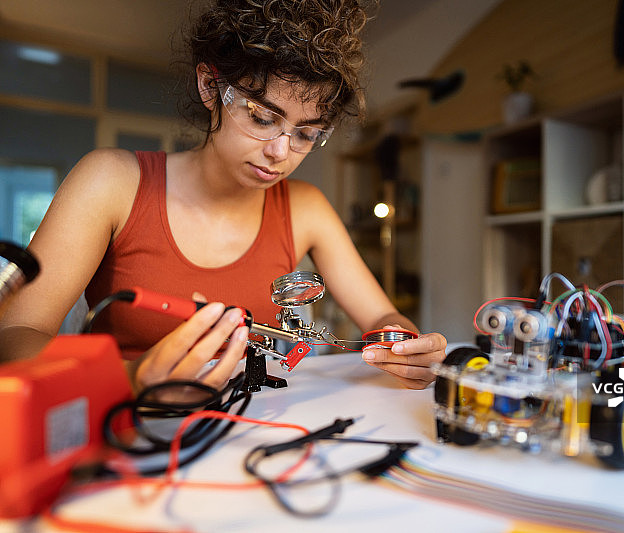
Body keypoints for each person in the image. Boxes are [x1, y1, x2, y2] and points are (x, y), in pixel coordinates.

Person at [0, 0, 447, 392]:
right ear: (210, 87)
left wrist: (405, 345)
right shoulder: (112, 182)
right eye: (261, 116)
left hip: (245, 433)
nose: (281, 152)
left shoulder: (305, 206)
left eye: (307, 134)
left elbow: (381, 318)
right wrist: (130, 381)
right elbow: (15, 334)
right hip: (122, 428)